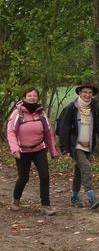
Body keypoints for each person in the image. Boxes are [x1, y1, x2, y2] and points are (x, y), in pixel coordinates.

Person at [6, 87, 59, 215]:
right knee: (24, 178)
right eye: (29, 95)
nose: (32, 97)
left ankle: (45, 205)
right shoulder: (17, 113)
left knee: (45, 175)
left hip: (39, 149)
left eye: (34, 95)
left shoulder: (41, 113)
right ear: (24, 98)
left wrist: (53, 151)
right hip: (22, 151)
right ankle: (16, 199)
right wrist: (14, 149)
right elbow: (11, 132)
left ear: (38, 98)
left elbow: (48, 133)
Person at [57, 84, 99, 209]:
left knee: (79, 172)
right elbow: (63, 128)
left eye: (90, 92)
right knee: (86, 168)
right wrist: (64, 147)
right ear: (79, 93)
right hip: (75, 145)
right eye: (84, 92)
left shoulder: (94, 107)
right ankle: (92, 199)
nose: (87, 95)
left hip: (88, 145)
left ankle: (74, 197)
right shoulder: (72, 108)